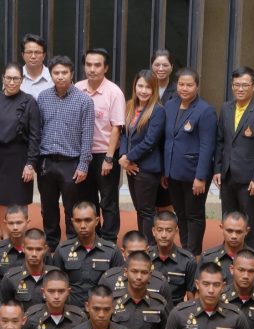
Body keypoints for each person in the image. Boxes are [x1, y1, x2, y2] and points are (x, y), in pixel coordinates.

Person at [36, 55, 94, 250]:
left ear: (72, 74)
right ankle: (51, 244)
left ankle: (71, 245)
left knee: (71, 207)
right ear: (51, 74)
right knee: (48, 206)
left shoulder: (84, 100)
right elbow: (38, 129)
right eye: (56, 73)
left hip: (71, 162)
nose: (60, 76)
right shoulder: (43, 97)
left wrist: (83, 164)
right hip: (46, 161)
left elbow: (87, 135)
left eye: (64, 72)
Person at [214, 66, 254, 250]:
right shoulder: (226, 108)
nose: (240, 89)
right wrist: (217, 169)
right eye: (236, 85)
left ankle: (252, 257)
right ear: (232, 86)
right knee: (229, 219)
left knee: (249, 222)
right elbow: (220, 141)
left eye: (245, 85)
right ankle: (228, 256)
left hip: (249, 180)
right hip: (227, 176)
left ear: (253, 87)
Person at [162, 67, 217, 256]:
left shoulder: (205, 110)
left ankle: (193, 254)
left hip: (194, 174)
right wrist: (165, 171)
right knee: (180, 213)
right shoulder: (170, 105)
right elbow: (167, 139)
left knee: (194, 214)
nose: (184, 88)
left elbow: (207, 146)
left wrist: (200, 177)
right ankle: (185, 250)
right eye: (181, 84)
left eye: (189, 85)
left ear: (197, 86)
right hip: (173, 172)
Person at [0, 64, 41, 237]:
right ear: (3, 78)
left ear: (22, 80)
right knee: (1, 200)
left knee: (20, 199)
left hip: (21, 157)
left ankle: (20, 237)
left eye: (16, 78)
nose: (12, 82)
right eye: (8, 78)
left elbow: (35, 135)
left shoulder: (29, 101)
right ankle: (5, 238)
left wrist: (31, 164)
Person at [73, 48, 126, 242]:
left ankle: (109, 240)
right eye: (88, 64)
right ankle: (92, 237)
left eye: (97, 65)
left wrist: (109, 158)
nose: (92, 69)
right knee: (87, 199)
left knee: (108, 200)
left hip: (105, 153)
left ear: (106, 68)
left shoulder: (114, 92)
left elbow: (117, 127)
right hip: (83, 154)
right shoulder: (77, 88)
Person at [119, 69, 167, 240]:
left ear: (154, 89)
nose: (143, 91)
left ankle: (149, 246)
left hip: (147, 168)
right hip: (131, 167)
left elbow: (150, 141)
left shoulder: (158, 110)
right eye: (140, 86)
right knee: (140, 209)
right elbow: (124, 134)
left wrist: (127, 158)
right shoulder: (130, 105)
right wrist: (123, 155)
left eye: (148, 87)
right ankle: (142, 243)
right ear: (135, 86)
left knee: (146, 211)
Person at [50, 202, 123, 307]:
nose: (83, 226)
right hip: (72, 311)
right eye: (78, 221)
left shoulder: (112, 251)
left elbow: (119, 285)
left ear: (97, 221)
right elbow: (55, 283)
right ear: (72, 222)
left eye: (88, 220)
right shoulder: (62, 250)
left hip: (101, 311)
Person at [0, 228, 58, 310]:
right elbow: (5, 308)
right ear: (23, 248)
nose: (34, 254)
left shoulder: (56, 276)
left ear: (45, 249)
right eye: (30, 249)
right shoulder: (11, 278)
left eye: (38, 249)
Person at [148, 211, 198, 306]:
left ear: (176, 231)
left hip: (175, 310)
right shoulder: (145, 256)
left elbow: (191, 296)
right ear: (153, 231)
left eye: (169, 230)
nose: (164, 235)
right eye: (160, 230)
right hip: (149, 310)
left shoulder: (187, 260)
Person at [200, 210, 254, 282]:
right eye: (229, 231)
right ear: (222, 228)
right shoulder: (207, 259)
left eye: (239, 232)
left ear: (247, 231)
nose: (234, 236)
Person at [0, 206, 29, 279]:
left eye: (19, 223)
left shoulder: (38, 249)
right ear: (5, 224)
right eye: (11, 223)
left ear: (27, 223)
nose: (15, 227)